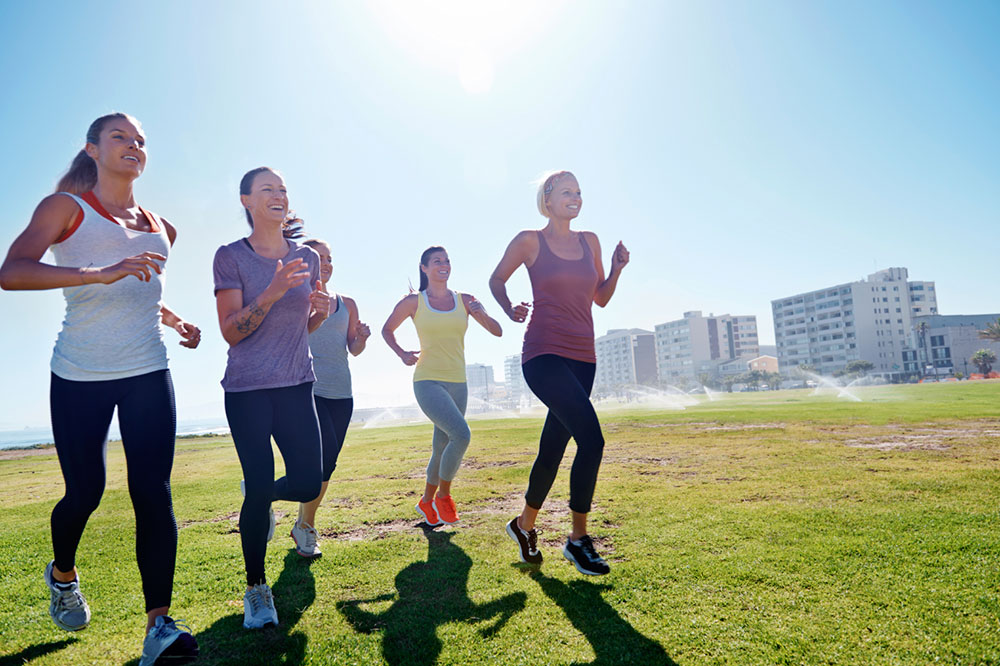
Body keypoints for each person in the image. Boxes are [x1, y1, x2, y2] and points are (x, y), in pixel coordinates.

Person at [0, 113, 200, 664]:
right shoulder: (64, 208)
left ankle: (159, 626)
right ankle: (62, 573)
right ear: (92, 149)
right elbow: (12, 271)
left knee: (153, 492)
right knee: (85, 491)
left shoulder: (163, 226)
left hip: (147, 370)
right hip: (80, 373)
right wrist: (96, 273)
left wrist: (176, 322)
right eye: (120, 137)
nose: (134, 145)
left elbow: (141, 290)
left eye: (140, 140)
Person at [489, 170, 629, 575]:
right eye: (567, 191)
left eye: (580, 192)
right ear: (547, 199)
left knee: (553, 448)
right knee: (593, 440)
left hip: (584, 357)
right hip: (543, 354)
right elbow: (497, 279)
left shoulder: (591, 242)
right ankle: (578, 540)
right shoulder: (529, 240)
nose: (576, 197)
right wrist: (508, 307)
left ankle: (523, 525)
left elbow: (599, 298)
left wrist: (617, 270)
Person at [212, 167, 330, 629]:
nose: (278, 195)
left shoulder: (307, 257)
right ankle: (257, 589)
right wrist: (273, 291)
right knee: (259, 486)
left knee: (307, 482)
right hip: (247, 391)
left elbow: (305, 327)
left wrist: (317, 313)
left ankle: (258, 497)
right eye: (268, 190)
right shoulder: (230, 257)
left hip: (297, 384)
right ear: (247, 201)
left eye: (282, 189)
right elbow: (231, 332)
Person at [382, 246, 502, 526]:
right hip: (428, 380)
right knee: (461, 435)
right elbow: (387, 329)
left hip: (459, 383)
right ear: (424, 268)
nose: (444, 265)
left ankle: (425, 502)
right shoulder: (415, 302)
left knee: (441, 446)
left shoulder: (466, 300)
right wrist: (401, 354)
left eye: (447, 260)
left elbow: (497, 331)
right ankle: (443, 497)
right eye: (437, 261)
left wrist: (479, 313)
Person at [290, 238, 371, 558]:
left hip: (342, 392)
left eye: (329, 257)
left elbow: (353, 349)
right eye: (318, 257)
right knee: (318, 460)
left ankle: (303, 523)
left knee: (328, 465)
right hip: (308, 388)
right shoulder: (296, 298)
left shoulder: (347, 303)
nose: (325, 262)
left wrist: (362, 337)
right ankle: (269, 498)